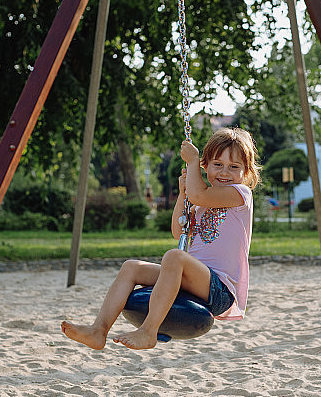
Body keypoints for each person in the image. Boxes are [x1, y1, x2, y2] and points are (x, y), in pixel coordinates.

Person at [61, 127, 261, 350]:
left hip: (219, 289)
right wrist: (183, 194)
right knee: (131, 268)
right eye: (218, 165)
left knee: (175, 257)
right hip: (194, 281)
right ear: (207, 166)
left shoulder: (241, 195)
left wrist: (192, 163)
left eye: (234, 167)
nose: (224, 172)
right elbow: (178, 230)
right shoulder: (201, 203)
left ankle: (148, 331)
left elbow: (200, 194)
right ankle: (99, 330)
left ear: (246, 172)